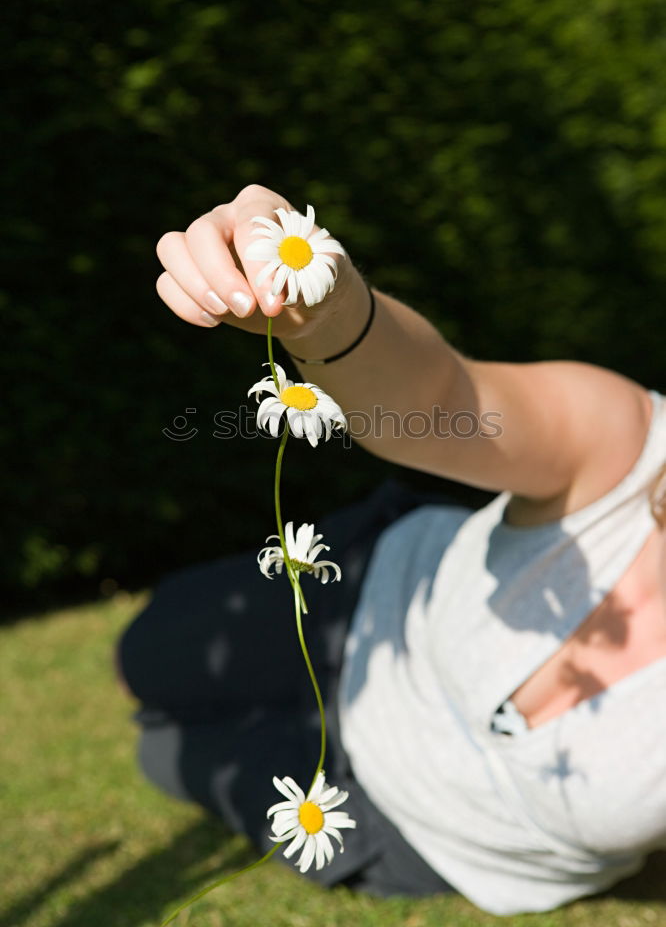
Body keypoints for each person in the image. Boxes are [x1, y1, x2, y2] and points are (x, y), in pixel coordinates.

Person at [116, 184, 666, 916]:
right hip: (359, 604)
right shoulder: (629, 443)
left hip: (396, 831)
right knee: (142, 657)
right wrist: (328, 310)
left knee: (159, 756)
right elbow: (445, 402)